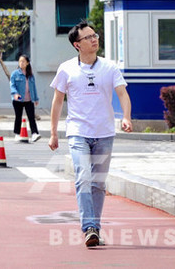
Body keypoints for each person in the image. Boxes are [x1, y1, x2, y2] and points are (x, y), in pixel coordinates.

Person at [49, 21, 132, 248]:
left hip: (105, 133)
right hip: (78, 133)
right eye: (88, 37)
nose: (94, 39)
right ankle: (89, 228)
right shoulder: (66, 69)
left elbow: (122, 94)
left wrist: (125, 117)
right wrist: (53, 133)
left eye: (95, 35)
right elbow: (57, 102)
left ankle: (94, 227)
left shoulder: (109, 67)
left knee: (98, 184)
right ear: (77, 44)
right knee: (84, 178)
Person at [9, 54, 40, 142]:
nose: (21, 63)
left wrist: (36, 98)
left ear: (27, 63)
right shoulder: (15, 74)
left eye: (23, 61)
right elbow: (12, 85)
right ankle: (17, 134)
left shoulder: (30, 75)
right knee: (18, 117)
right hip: (18, 99)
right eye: (20, 61)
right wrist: (15, 94)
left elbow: (33, 87)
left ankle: (34, 134)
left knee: (31, 117)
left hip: (29, 99)